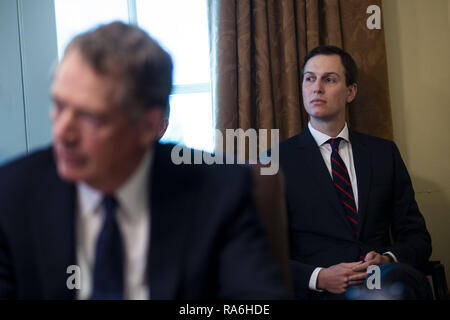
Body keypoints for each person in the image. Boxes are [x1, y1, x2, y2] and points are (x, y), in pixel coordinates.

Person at [0, 22, 287, 300]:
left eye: (90, 117)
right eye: (59, 105)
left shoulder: (218, 190)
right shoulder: (12, 193)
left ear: (149, 126)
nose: (63, 132)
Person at [277, 45, 432, 300]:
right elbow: (261, 251)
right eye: (310, 78)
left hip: (382, 282)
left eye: (329, 79)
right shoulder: (277, 162)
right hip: (319, 290)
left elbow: (417, 238)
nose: (317, 88)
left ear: (351, 92)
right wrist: (318, 277)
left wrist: (387, 258)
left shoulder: (384, 154)